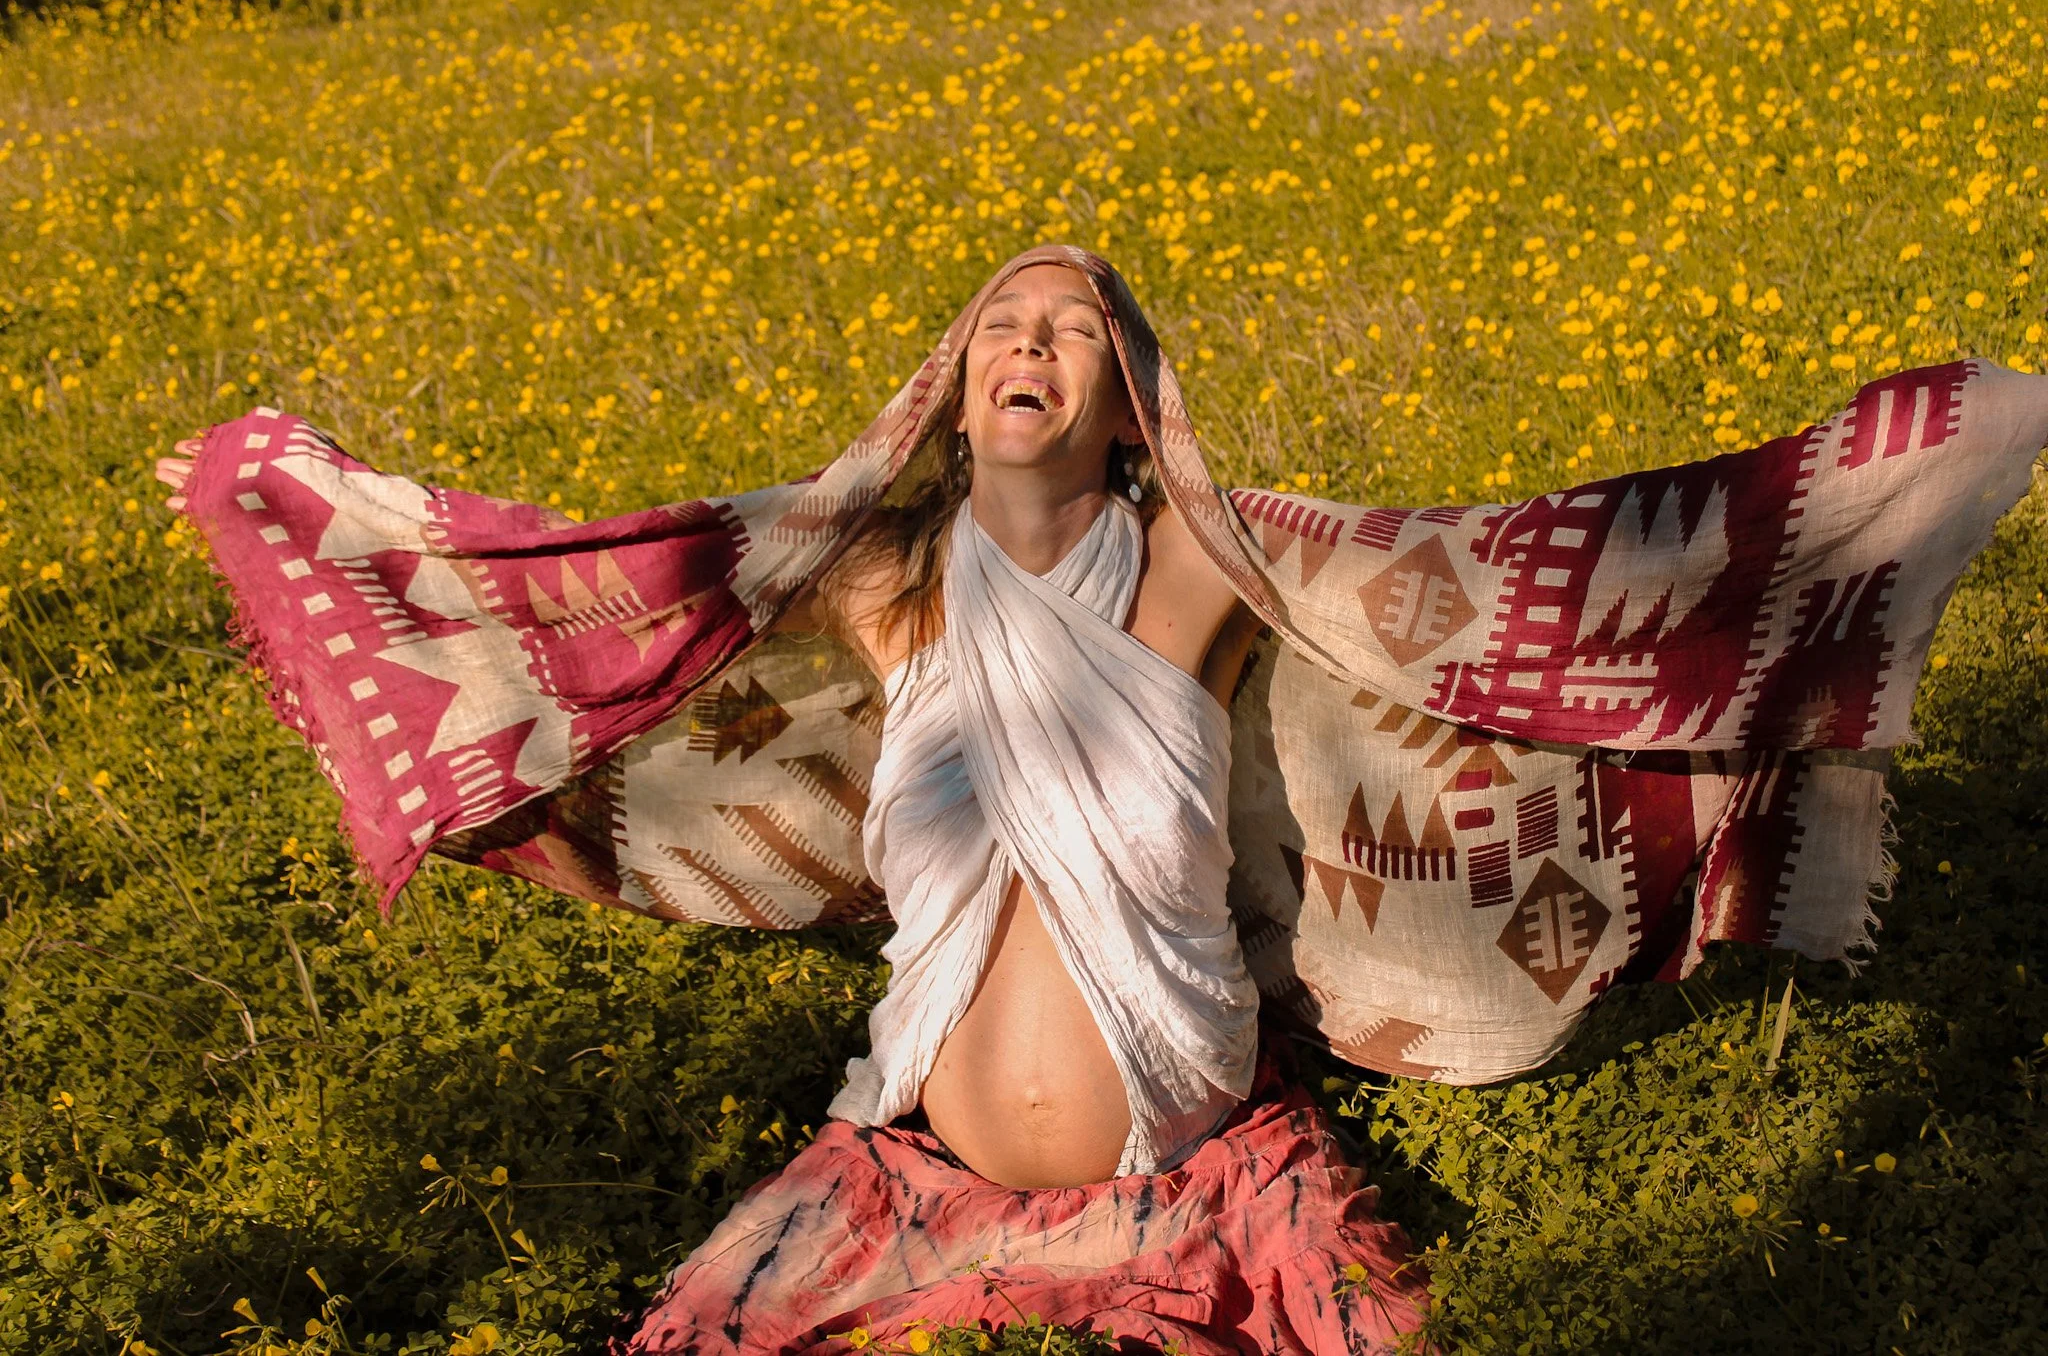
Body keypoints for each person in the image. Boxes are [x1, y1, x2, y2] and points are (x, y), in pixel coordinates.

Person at [155, 247, 2048, 1354]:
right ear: (952, 388)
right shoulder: (887, 592)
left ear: (1133, 396)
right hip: (917, 1173)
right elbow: (627, 602)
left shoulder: (1205, 580)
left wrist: (1857, 504)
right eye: (1001, 331)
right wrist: (328, 527)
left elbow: (1492, 594)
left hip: (1190, 1163)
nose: (1028, 351)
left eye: (1070, 332)